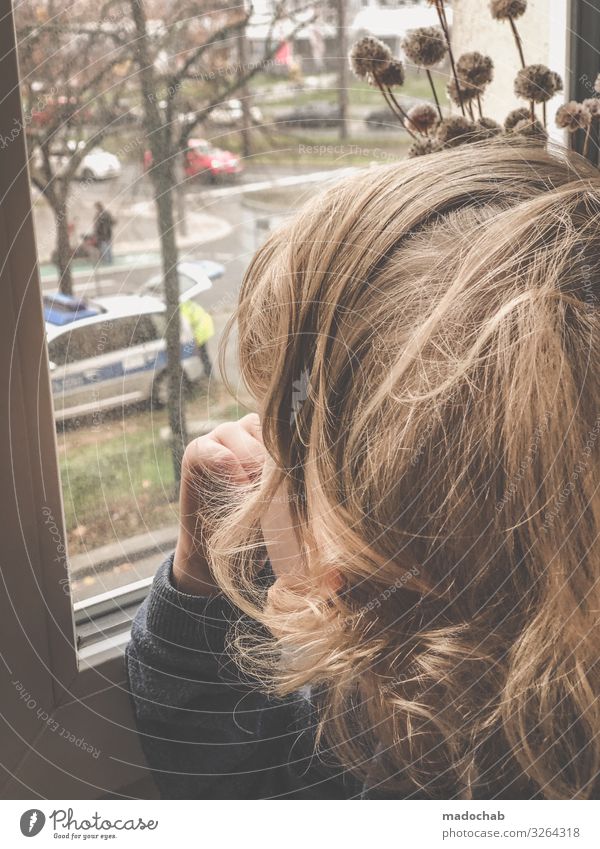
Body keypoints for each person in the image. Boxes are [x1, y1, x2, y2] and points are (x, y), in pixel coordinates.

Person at [126, 143, 600, 800]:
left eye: (294, 459)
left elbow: (236, 793)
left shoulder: (377, 756)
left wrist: (196, 591)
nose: (265, 469)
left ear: (348, 582)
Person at [179, 299, 214, 378]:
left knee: (202, 354)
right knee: (203, 353)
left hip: (200, 330)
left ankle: (209, 375)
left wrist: (189, 340)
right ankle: (208, 373)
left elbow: (186, 328)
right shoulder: (186, 302)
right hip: (206, 324)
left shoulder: (181, 309)